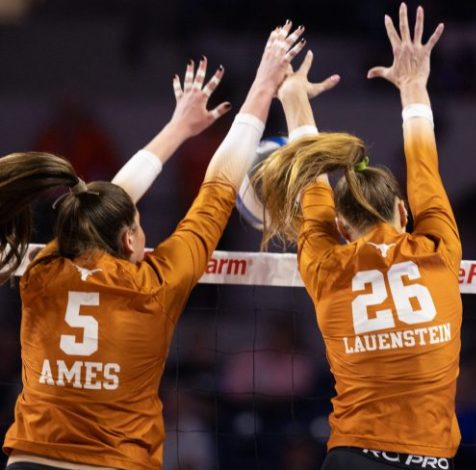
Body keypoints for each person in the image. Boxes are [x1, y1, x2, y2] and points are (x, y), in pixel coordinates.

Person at [0, 22, 306, 470]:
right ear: (128, 239)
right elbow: (219, 188)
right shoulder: (154, 286)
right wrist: (262, 86)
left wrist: (178, 127)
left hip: (30, 462)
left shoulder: (45, 271)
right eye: (139, 225)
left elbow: (97, 208)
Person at [252, 4, 461, 469]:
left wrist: (292, 97)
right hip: (428, 460)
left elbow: (311, 179)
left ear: (342, 228)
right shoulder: (439, 253)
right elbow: (424, 167)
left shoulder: (328, 267)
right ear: (403, 210)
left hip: (351, 459)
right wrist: (413, 86)